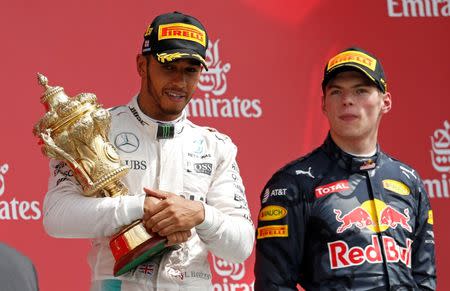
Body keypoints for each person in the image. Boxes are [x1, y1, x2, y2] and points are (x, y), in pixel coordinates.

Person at [42, 11, 254, 290]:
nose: (180, 82)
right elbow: (56, 217)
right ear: (142, 65)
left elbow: (241, 247)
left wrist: (200, 214)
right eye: (169, 67)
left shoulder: (217, 146)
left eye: (190, 70)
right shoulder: (94, 129)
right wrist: (139, 207)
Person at [254, 47, 436, 290]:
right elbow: (273, 284)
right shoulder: (292, 184)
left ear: (386, 102)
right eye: (337, 91)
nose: (347, 100)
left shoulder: (409, 180)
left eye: (361, 90)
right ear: (324, 104)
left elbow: (424, 278)